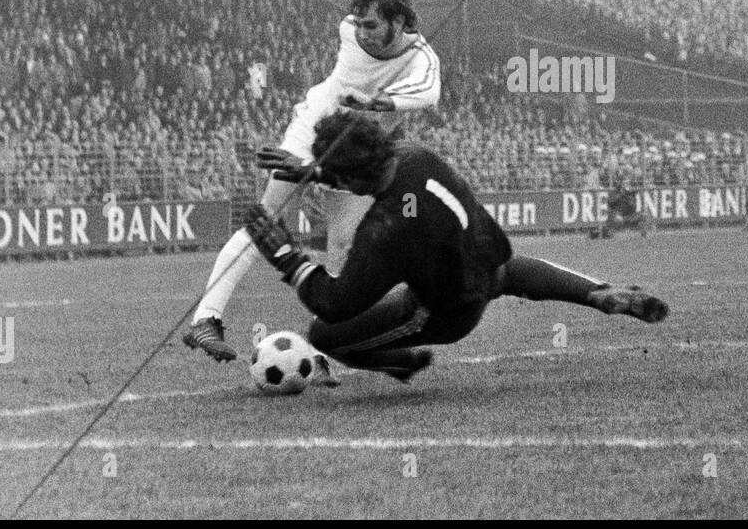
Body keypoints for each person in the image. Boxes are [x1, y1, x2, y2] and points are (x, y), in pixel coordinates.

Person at [243, 112, 669, 383]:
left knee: (323, 334)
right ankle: (599, 292)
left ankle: (402, 362)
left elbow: (335, 301)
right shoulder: (415, 155)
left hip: (448, 311)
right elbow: (367, 170)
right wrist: (316, 170)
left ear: (353, 179)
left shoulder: (387, 229)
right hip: (487, 258)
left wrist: (284, 254)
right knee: (511, 273)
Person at [184, 0, 441, 362]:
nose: (362, 32)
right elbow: (414, 87)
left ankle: (326, 348)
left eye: (371, 25)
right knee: (268, 219)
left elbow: (428, 91)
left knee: (343, 245)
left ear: (399, 21)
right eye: (360, 24)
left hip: (356, 152)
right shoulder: (349, 33)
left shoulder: (422, 57)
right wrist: (374, 102)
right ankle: (206, 318)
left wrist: (377, 102)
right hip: (316, 130)